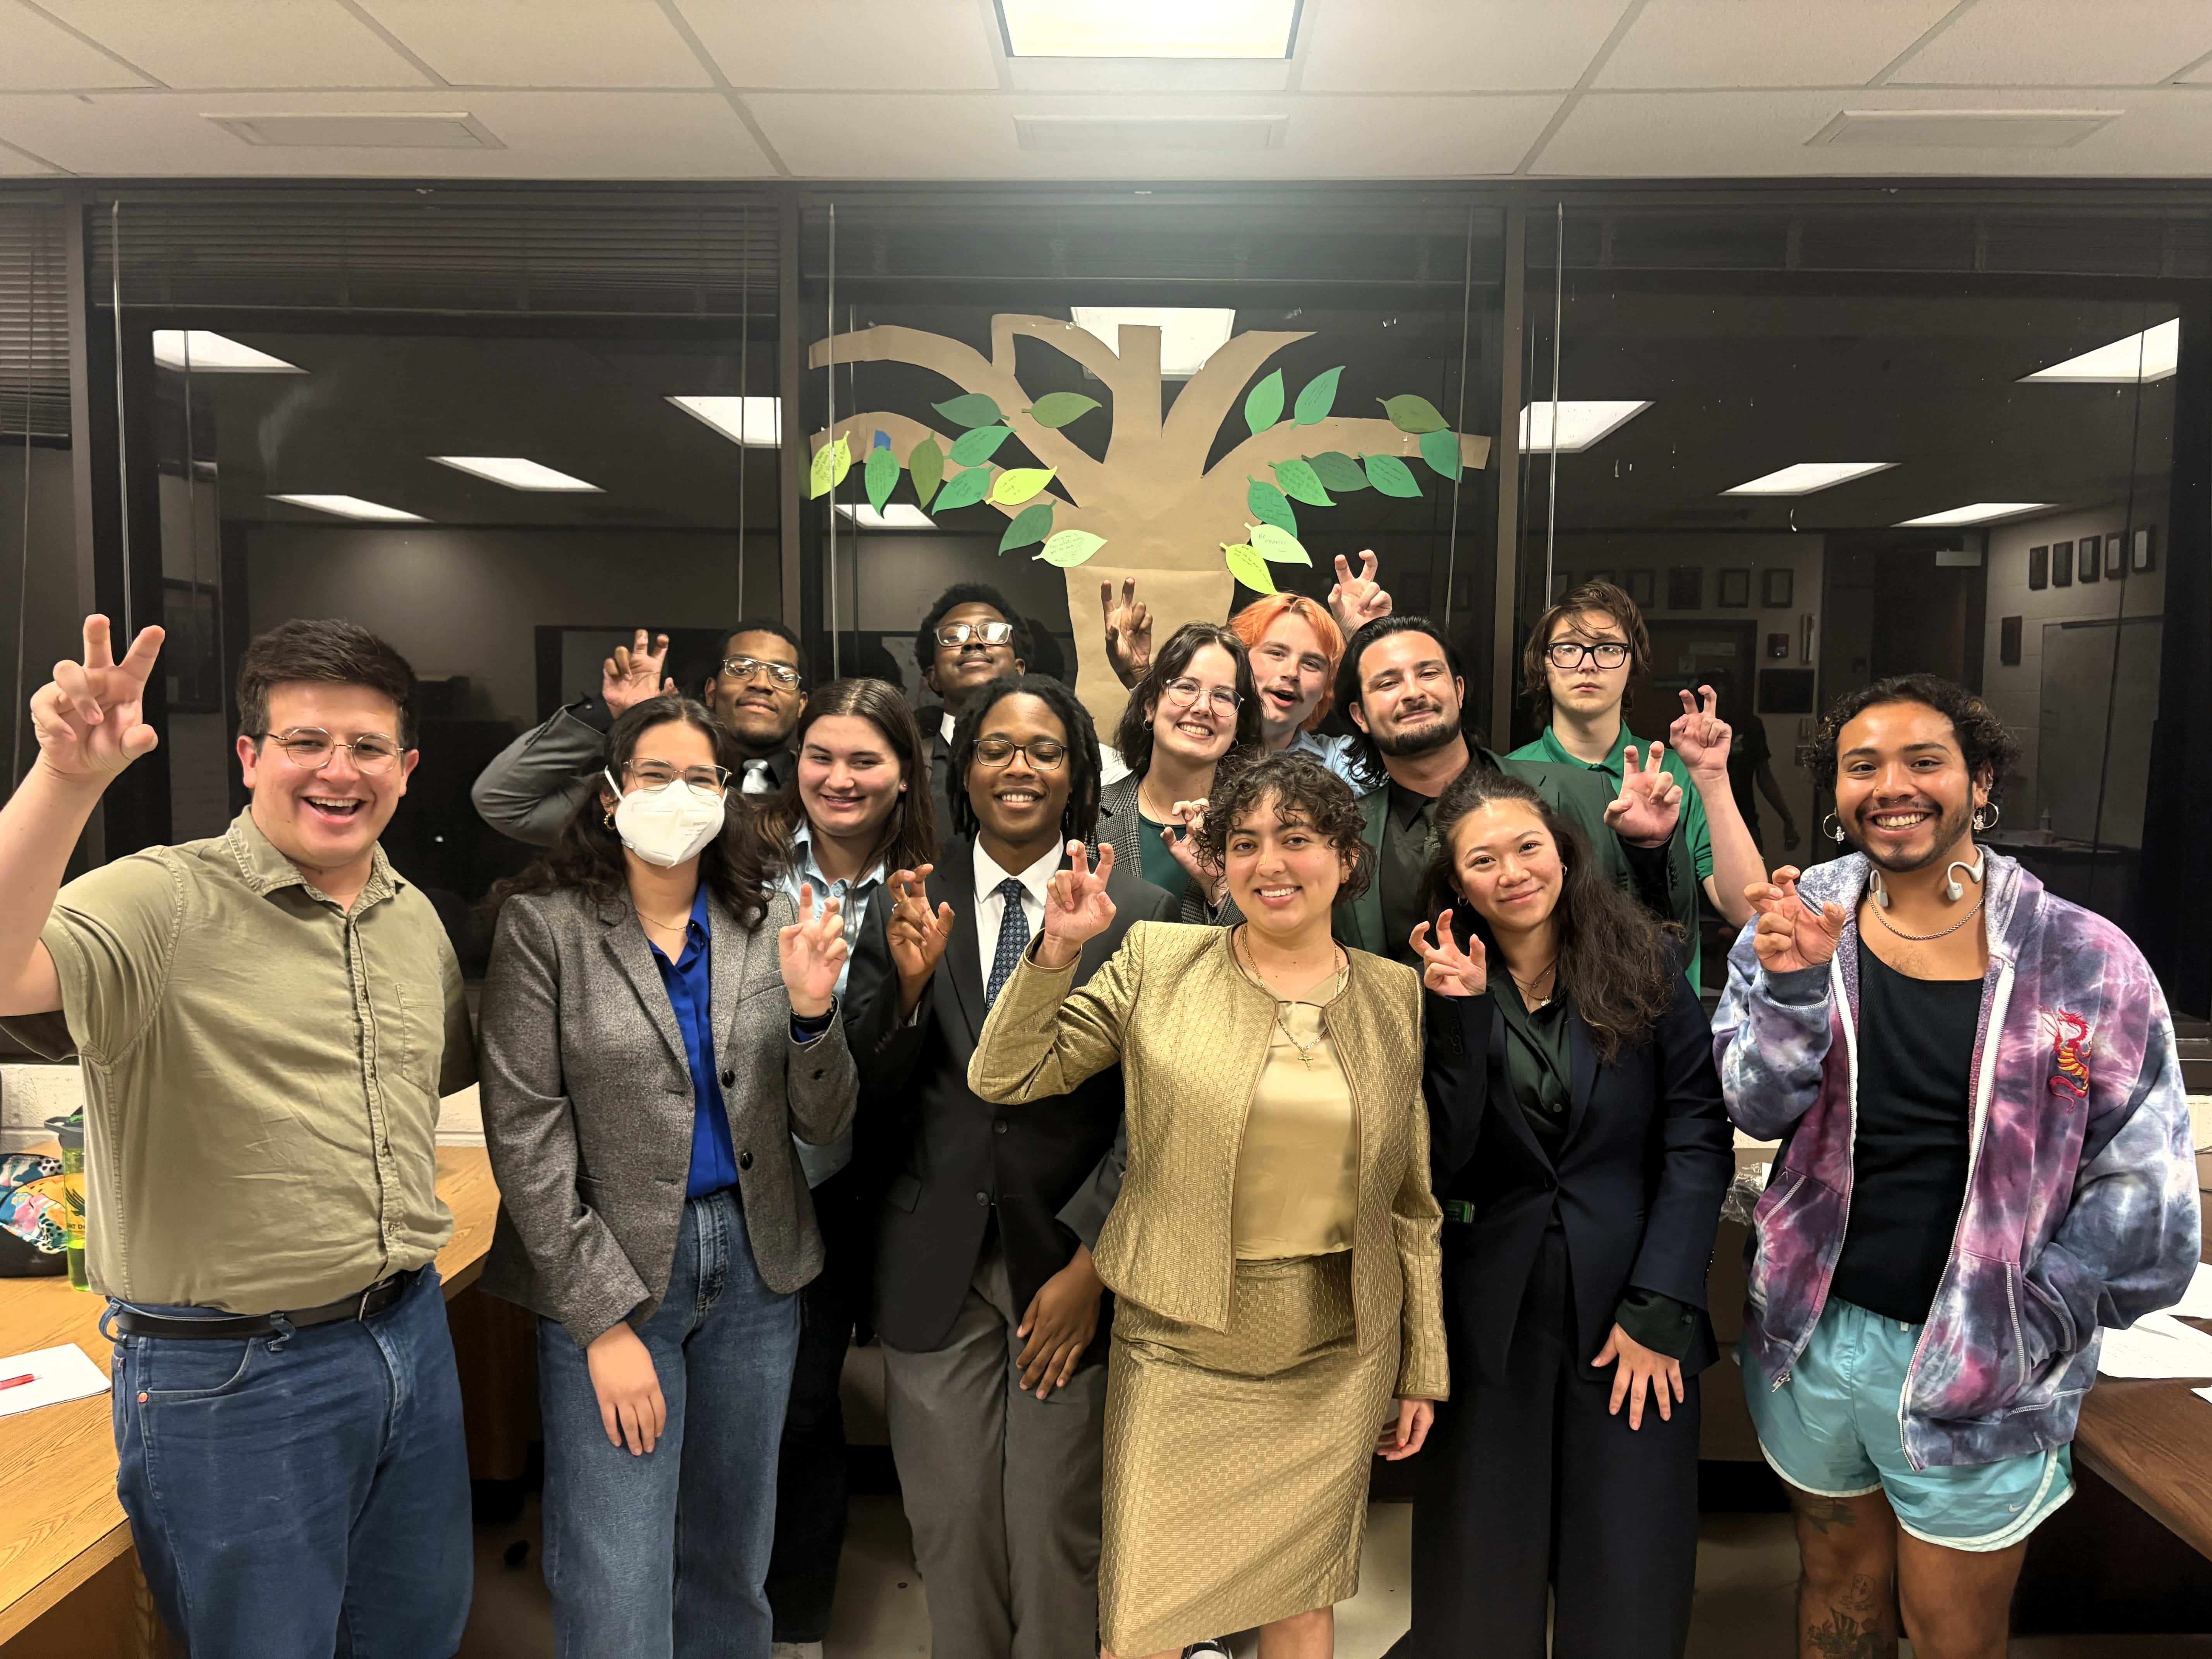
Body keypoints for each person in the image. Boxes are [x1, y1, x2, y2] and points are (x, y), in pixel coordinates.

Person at [0, 615, 475, 1657]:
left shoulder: (412, 918)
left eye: (366, 747)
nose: (338, 770)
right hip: (234, 1379)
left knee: (416, 1632)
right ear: (251, 755)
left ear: (406, 768)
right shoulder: (162, 898)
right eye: (307, 741)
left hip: (406, 1332)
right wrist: (66, 782)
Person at [1714, 674, 2200, 1659]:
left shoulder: (2085, 961)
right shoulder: (1793, 922)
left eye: (1923, 761)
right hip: (1811, 1341)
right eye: (1863, 766)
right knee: (1835, 1589)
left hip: (1986, 1363)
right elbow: (1752, 1104)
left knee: (1952, 1631)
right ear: (1837, 792)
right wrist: (1800, 986)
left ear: (1981, 783)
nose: (1893, 785)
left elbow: (2147, 1206)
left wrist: (2025, 1321)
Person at [971, 749, 1448, 1659]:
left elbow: (1410, 1203)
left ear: (1346, 858)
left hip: (1336, 1349)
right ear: (1220, 865)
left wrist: (1421, 1362)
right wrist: (1058, 951)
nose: (1271, 863)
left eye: (1298, 839)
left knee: (1304, 1607)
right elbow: (1006, 1071)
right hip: (1182, 1342)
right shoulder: (1160, 961)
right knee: (1144, 1621)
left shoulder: (1394, 997)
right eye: (1246, 843)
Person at [477, 692, 857, 1658]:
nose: (679, 796)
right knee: (620, 1563)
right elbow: (525, 1132)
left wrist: (815, 1016)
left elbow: (823, 1118)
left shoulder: (767, 919)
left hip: (758, 1265)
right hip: (616, 1268)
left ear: (727, 797)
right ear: (611, 796)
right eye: (655, 776)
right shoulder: (547, 927)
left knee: (733, 1552)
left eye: (701, 778)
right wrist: (600, 1323)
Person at [842, 673, 1177, 1659]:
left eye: (1044, 749)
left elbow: (1158, 1115)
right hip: (931, 1259)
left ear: (1078, 775)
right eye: (996, 747)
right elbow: (860, 1095)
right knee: (947, 1531)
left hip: (1066, 1264)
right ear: (963, 767)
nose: (1019, 766)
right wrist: (902, 997)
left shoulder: (1141, 911)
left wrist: (1095, 1262)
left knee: (1053, 1532)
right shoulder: (908, 899)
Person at [1395, 768, 1731, 1657]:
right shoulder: (1427, 981)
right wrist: (1461, 1018)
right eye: (1483, 860)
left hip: (1632, 1314)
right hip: (1490, 1320)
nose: (1511, 872)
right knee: (1477, 1582)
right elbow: (1441, 1158)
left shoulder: (1645, 958)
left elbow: (1696, 1140)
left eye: (1527, 848)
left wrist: (1662, 1306)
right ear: (1456, 882)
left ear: (1564, 853)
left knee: (1628, 1576)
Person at [752, 678, 939, 1658]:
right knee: (784, 1409)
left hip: (879, 1177)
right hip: (757, 1176)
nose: (839, 778)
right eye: (821, 756)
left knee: (812, 1402)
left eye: (866, 759)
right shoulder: (744, 861)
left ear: (906, 772)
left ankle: (800, 1626)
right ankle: (768, 1619)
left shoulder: (937, 880)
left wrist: (908, 991)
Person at [1333, 615, 1693, 969]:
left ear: (1459, 691)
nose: (1413, 693)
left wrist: (1650, 850)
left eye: (1429, 674)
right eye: (1387, 684)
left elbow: (1664, 939)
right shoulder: (1343, 838)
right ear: (1360, 715)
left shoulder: (1581, 793)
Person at [1506, 579, 1764, 986]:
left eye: (1608, 649)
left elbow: (1748, 909)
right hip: (1546, 1021)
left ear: (1633, 665)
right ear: (1544, 664)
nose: (1587, 664)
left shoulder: (1679, 772)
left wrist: (1713, 780)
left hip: (1668, 1021)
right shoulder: (1507, 779)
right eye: (1569, 648)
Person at [472, 619, 809, 845]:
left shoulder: (825, 791)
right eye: (741, 668)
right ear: (710, 691)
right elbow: (503, 802)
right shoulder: (645, 785)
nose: (761, 684)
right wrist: (615, 716)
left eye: (783, 675)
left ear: (802, 704)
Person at [1099, 553, 1395, 787]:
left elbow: (1417, 760)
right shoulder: (1200, 741)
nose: (1292, 672)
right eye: (1276, 653)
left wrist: (1369, 637)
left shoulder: (1341, 765)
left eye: (1311, 664)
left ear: (1325, 689)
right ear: (1239, 661)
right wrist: (1139, 677)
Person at [1097, 622, 1264, 922]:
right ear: (1150, 707)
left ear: (1238, 726)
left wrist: (1220, 886)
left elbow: (1275, 950)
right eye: (1187, 687)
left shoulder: (1257, 830)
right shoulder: (1088, 814)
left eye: (1224, 696)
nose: (1203, 707)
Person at [913, 583, 1032, 840]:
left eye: (992, 633)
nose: (974, 642)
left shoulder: (1052, 758)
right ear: (933, 678)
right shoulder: (905, 763)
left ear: (1018, 669)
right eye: (953, 636)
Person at [1711, 667, 1800, 854]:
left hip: (1744, 821)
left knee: (1753, 881)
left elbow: (1765, 776)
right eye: (1716, 693)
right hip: (1701, 823)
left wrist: (1787, 818)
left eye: (1725, 693)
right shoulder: (1692, 729)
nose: (1721, 699)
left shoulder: (1750, 725)